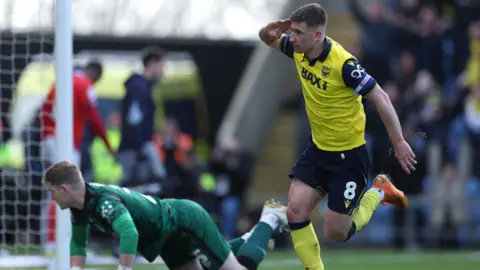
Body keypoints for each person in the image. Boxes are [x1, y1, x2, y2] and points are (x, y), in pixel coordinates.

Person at [258, 3, 417, 270]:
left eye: (298, 32)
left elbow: (381, 97)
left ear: (317, 36)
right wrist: (270, 29)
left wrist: (398, 141)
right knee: (295, 210)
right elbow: (268, 38)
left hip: (349, 157)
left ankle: (379, 190)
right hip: (319, 150)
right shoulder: (298, 49)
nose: (292, 37)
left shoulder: (344, 64)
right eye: (291, 31)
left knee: (337, 232)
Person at [44, 161, 288, 270]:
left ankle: (269, 218)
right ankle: (249, 238)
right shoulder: (79, 205)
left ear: (65, 189)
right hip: (165, 237)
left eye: (52, 192)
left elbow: (129, 231)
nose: (52, 198)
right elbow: (78, 241)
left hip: (184, 222)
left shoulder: (103, 202)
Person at [40, 60, 115, 166]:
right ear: (95, 74)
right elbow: (95, 120)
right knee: (70, 178)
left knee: (54, 177)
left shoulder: (60, 81)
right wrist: (108, 146)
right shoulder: (86, 86)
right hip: (68, 141)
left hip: (49, 137)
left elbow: (45, 108)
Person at [118, 46, 167, 183]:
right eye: (162, 65)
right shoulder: (139, 88)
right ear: (152, 64)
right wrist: (141, 146)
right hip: (135, 148)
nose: (163, 70)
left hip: (137, 146)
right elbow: (134, 119)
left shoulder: (143, 87)